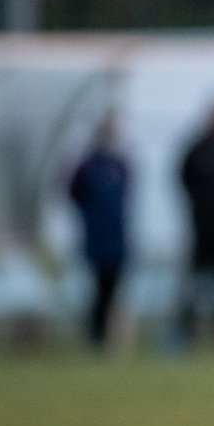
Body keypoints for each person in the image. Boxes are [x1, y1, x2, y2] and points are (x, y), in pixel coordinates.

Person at [176, 101, 214, 344]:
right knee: (196, 279)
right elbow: (183, 176)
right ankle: (189, 327)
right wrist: (198, 202)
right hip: (201, 224)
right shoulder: (198, 148)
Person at [69, 118, 131, 348]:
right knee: (97, 287)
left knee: (111, 287)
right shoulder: (87, 166)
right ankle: (96, 333)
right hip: (96, 236)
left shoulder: (120, 165)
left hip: (116, 237)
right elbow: (73, 193)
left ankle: (107, 333)